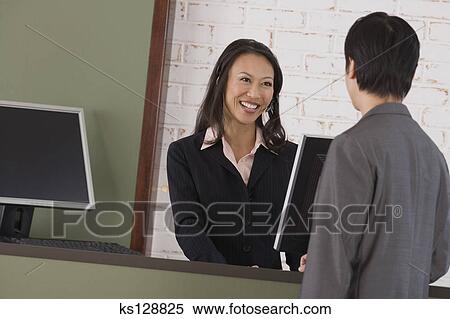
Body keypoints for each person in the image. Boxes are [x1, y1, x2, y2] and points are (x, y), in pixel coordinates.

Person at [300, 12, 450, 298]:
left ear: (352, 67)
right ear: (410, 73)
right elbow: (439, 259)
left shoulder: (351, 146)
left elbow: (330, 265)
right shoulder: (434, 155)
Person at [167, 39, 304, 270]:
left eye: (266, 84)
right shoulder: (184, 154)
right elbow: (188, 226)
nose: (254, 93)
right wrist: (230, 278)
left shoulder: (290, 156)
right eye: (245, 80)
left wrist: (304, 261)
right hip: (212, 291)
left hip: (272, 294)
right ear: (222, 81)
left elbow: (294, 237)